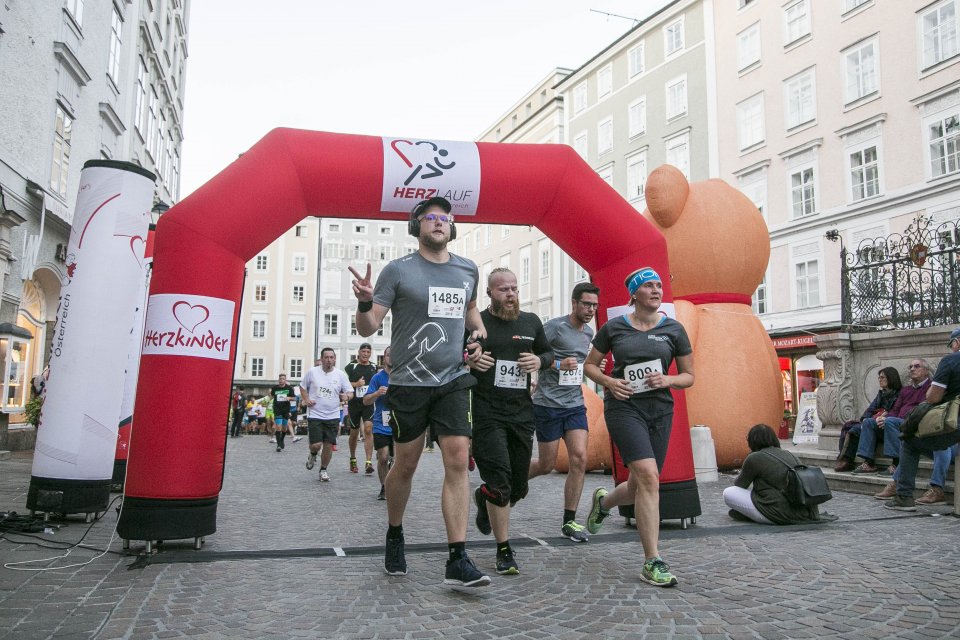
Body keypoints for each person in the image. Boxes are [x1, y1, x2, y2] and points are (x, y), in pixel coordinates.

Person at [349, 195, 490, 588]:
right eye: (430, 217)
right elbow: (368, 327)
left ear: (452, 226)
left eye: (444, 217)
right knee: (406, 464)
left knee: (458, 459)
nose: (438, 222)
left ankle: (458, 558)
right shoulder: (398, 271)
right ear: (417, 227)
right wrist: (363, 302)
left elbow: (472, 312)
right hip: (408, 383)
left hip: (453, 379)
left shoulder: (468, 269)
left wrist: (478, 333)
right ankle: (395, 533)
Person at [582, 267, 694, 588]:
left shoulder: (674, 329)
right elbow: (590, 364)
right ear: (634, 294)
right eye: (648, 285)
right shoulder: (614, 328)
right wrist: (609, 382)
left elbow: (688, 376)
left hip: (660, 410)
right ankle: (652, 560)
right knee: (647, 476)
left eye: (659, 285)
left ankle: (603, 504)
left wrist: (668, 379)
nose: (657, 290)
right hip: (623, 407)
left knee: (639, 484)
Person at [469, 268, 553, 575]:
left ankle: (483, 497)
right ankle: (504, 550)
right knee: (501, 482)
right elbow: (458, 354)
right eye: (503, 289)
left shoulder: (530, 322)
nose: (510, 294)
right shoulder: (477, 322)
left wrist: (539, 361)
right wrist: (470, 360)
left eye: (514, 288)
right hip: (486, 412)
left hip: (520, 412)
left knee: (518, 488)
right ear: (490, 293)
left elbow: (548, 353)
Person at [527, 282, 600, 543]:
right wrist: (558, 363)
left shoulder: (588, 333)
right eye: (586, 304)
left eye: (594, 305)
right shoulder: (555, 328)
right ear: (574, 303)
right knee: (546, 465)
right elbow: (535, 354)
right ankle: (511, 484)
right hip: (547, 404)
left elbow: (582, 364)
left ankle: (569, 521)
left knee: (579, 458)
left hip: (574, 404)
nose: (591, 309)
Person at [885, 328, 960, 511]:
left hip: (955, 425)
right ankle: (934, 488)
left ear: (957, 342)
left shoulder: (951, 361)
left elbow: (933, 397)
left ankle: (904, 496)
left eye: (951, 344)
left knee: (910, 442)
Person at [724, 424, 838, 524]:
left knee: (729, 492)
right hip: (806, 511)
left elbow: (739, 485)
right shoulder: (789, 454)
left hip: (778, 513)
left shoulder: (754, 457)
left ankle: (755, 514)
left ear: (751, 441)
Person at [851, 358, 932, 476]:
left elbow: (923, 409)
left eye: (916, 366)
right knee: (869, 422)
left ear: (926, 371)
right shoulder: (906, 390)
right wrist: (884, 418)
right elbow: (895, 409)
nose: (912, 369)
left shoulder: (930, 388)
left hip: (913, 423)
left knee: (890, 421)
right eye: (911, 367)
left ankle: (897, 463)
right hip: (896, 423)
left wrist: (889, 419)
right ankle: (868, 463)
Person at [834, 367, 902, 471]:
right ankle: (847, 459)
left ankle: (866, 462)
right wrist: (865, 418)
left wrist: (883, 416)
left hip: (886, 424)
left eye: (882, 377)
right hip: (875, 422)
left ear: (891, 378)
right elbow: (870, 409)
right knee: (853, 428)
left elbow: (896, 412)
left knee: (859, 428)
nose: (879, 379)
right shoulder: (881, 394)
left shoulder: (900, 393)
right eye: (879, 377)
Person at [300, 348, 353, 481]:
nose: (329, 360)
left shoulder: (340, 375)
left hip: (333, 415)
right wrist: (306, 399)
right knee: (316, 445)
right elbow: (302, 386)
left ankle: (323, 469)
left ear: (335, 359)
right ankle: (313, 453)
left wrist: (346, 396)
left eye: (331, 357)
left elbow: (350, 392)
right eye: (326, 357)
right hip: (315, 414)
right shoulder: (312, 372)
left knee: (328, 445)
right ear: (322, 359)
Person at [364, 346, 394, 501]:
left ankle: (394, 485)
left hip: (399, 424)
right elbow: (365, 400)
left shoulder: (403, 375)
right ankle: (384, 486)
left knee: (396, 461)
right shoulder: (377, 378)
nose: (391, 357)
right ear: (384, 358)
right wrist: (376, 393)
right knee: (383, 457)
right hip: (380, 423)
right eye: (388, 354)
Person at [345, 343, 378, 474]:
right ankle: (353, 459)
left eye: (367, 352)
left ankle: (368, 462)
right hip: (354, 403)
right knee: (354, 433)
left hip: (368, 403)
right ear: (358, 352)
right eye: (363, 351)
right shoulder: (351, 366)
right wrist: (356, 384)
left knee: (368, 429)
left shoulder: (374, 367)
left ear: (370, 353)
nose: (365, 354)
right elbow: (343, 384)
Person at [270, 373, 296, 452]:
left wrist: (289, 398)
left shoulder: (289, 388)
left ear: (285, 380)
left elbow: (294, 398)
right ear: (278, 380)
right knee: (278, 426)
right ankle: (278, 444)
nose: (281, 380)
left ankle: (282, 440)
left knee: (284, 428)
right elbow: (271, 396)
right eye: (280, 379)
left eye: (283, 379)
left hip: (286, 410)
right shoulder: (275, 388)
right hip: (277, 409)